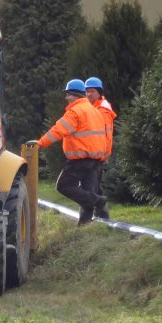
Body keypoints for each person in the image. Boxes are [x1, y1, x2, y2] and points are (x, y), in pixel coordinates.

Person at [30, 79, 108, 226]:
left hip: (80, 160)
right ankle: (84, 225)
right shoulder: (94, 111)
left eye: (68, 95)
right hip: (95, 160)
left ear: (75, 95)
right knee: (87, 193)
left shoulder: (75, 111)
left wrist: (40, 144)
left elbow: (57, 131)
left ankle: (99, 200)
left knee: (63, 186)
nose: (66, 98)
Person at [85, 76, 116, 219]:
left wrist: (103, 154)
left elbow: (106, 135)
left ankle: (99, 218)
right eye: (87, 91)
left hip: (98, 155)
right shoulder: (94, 107)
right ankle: (102, 217)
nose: (89, 94)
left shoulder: (102, 110)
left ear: (99, 92)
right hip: (94, 154)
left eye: (92, 91)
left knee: (92, 187)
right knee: (94, 186)